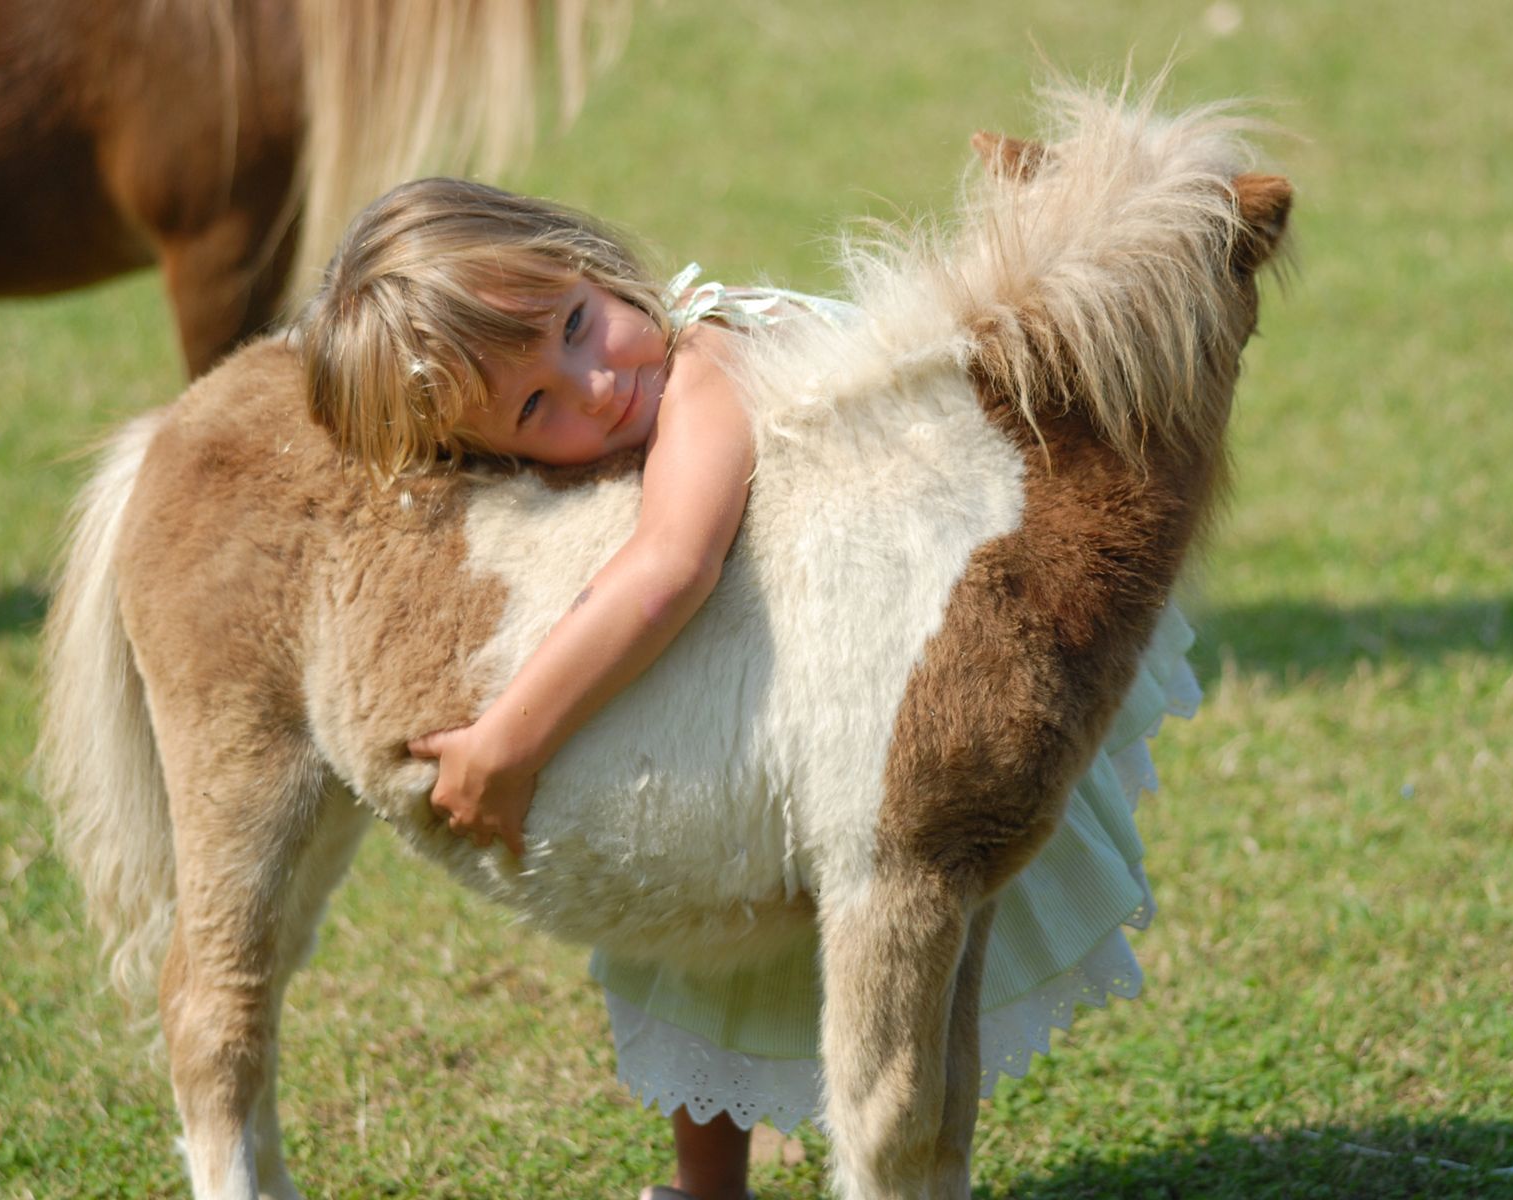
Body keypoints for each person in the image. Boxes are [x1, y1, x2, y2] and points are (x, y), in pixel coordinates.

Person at [301, 176, 1202, 1200]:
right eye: (536, 406)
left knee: (882, 937)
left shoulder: (707, 365)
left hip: (876, 662)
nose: (595, 384)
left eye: (577, 324)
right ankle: (714, 1182)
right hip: (785, 663)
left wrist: (508, 740)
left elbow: (670, 564)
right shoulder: (646, 381)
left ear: (588, 261)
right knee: (705, 957)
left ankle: (836, 1169)